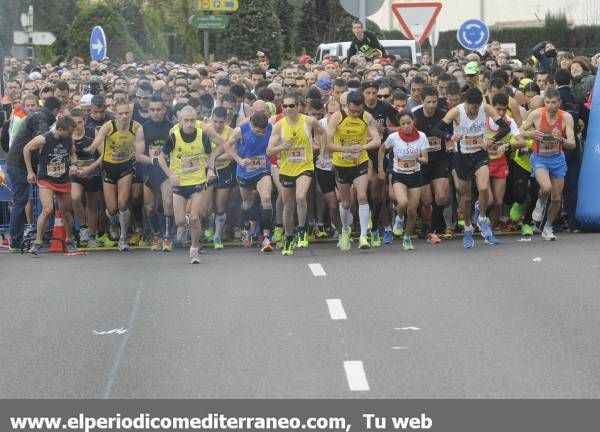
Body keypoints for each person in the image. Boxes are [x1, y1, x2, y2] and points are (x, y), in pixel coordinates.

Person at [432, 87, 511, 248]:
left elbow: (505, 128)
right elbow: (436, 129)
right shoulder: (456, 112)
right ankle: (468, 227)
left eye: (477, 106)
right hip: (461, 157)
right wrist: (450, 136)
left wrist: (492, 140)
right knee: (466, 197)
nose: (475, 110)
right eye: (472, 106)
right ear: (466, 102)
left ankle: (482, 219)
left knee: (483, 189)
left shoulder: (485, 108)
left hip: (480, 155)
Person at [158, 106, 223, 263]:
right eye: (186, 121)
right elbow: (161, 158)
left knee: (195, 217)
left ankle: (194, 251)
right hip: (180, 183)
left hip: (197, 181)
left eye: (192, 120)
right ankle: (185, 223)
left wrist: (210, 170)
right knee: (180, 220)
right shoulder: (173, 137)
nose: (189, 124)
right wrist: (171, 175)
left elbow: (212, 153)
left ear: (196, 121)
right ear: (180, 121)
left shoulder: (202, 136)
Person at [267, 93, 325, 256]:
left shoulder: (309, 121)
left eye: (291, 106)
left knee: (301, 197)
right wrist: (282, 147)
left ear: (298, 106)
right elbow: (269, 150)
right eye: (285, 106)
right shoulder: (279, 125)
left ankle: (302, 229)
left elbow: (323, 133)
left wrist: (321, 151)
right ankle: (289, 237)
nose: (288, 109)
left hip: (305, 166)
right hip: (286, 169)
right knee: (288, 205)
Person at [326, 91, 381, 251]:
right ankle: (345, 230)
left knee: (362, 195)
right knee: (345, 202)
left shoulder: (367, 117)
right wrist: (346, 149)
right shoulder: (337, 117)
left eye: (358, 111)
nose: (355, 114)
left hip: (360, 162)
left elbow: (377, 140)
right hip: (341, 164)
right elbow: (328, 144)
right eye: (352, 111)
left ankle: (364, 236)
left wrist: (361, 147)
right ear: (346, 106)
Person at [519, 89, 576, 240]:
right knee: (546, 187)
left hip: (557, 159)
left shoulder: (566, 117)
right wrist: (530, 134)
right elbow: (520, 131)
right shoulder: (537, 114)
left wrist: (562, 140)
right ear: (545, 102)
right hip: (539, 158)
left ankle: (548, 227)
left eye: (554, 102)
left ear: (559, 102)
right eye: (548, 102)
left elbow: (572, 143)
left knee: (557, 198)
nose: (550, 106)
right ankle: (541, 203)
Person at [87, 100, 145, 251]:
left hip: (126, 166)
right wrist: (91, 148)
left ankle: (123, 238)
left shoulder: (137, 127)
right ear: (115, 113)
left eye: (127, 113)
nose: (124, 116)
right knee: (112, 209)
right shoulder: (109, 126)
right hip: (109, 167)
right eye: (121, 113)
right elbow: (98, 140)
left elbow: (140, 150)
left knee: (123, 204)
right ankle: (113, 223)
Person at [6, 96, 62, 251]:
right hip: (19, 164)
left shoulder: (38, 115)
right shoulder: (41, 118)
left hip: (19, 162)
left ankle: (40, 235)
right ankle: (15, 241)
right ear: (56, 110)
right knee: (20, 201)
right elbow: (43, 141)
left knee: (31, 201)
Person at [23, 116, 78, 254]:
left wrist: (74, 164)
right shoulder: (44, 139)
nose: (71, 135)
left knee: (66, 212)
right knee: (47, 209)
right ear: (60, 129)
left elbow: (73, 154)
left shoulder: (69, 139)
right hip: (46, 179)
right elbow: (26, 149)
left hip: (63, 179)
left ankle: (70, 239)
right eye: (69, 132)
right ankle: (38, 242)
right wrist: (30, 171)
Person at [223, 112, 275, 253]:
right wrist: (239, 160)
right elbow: (227, 146)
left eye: (262, 131)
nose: (260, 133)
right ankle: (246, 225)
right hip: (245, 171)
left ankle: (266, 237)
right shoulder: (241, 130)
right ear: (251, 124)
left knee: (266, 198)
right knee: (247, 203)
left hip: (263, 168)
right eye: (257, 131)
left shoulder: (270, 127)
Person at [378, 110, 428, 251]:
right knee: (403, 202)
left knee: (412, 211)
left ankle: (407, 238)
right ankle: (399, 219)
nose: (406, 126)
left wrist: (417, 158)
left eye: (409, 123)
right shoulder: (394, 137)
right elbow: (382, 150)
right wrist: (381, 169)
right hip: (399, 175)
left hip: (415, 175)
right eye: (403, 124)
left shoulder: (422, 137)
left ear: (414, 122)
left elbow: (425, 160)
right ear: (399, 125)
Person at [135, 94, 174, 251]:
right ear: (148, 110)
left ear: (164, 109)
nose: (155, 112)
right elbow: (138, 155)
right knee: (150, 207)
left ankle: (167, 237)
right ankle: (156, 235)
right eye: (152, 109)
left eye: (158, 109)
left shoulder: (172, 128)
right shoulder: (142, 129)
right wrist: (154, 161)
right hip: (150, 170)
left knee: (168, 203)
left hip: (167, 171)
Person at [69, 108, 103, 248]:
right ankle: (83, 228)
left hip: (92, 172)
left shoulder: (92, 132)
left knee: (92, 205)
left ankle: (92, 236)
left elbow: (102, 154)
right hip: (77, 173)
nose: (77, 125)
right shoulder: (68, 135)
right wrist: (74, 167)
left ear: (84, 121)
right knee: (75, 197)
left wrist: (91, 168)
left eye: (80, 122)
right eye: (74, 123)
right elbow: (69, 155)